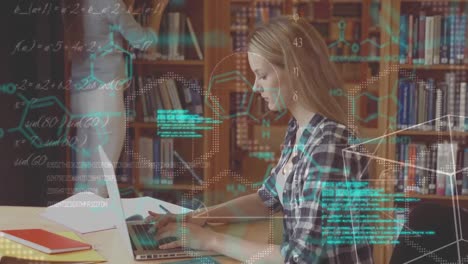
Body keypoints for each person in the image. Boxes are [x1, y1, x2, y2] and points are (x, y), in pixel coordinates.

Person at [145, 16, 374, 263]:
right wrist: (198, 217)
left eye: (262, 75)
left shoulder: (330, 146)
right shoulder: (300, 128)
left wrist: (208, 240)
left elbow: (300, 258)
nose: (255, 87)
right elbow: (267, 199)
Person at [65, 0, 168, 197]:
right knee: (101, 180)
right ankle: (94, 226)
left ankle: (78, 225)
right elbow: (146, 43)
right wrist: (159, 10)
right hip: (105, 95)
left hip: (80, 95)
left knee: (84, 181)